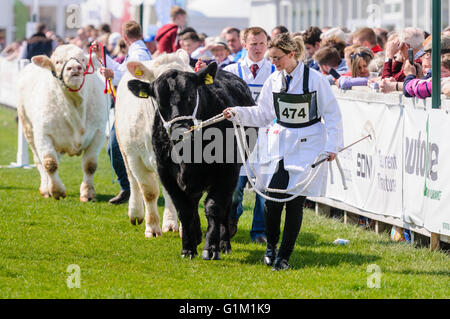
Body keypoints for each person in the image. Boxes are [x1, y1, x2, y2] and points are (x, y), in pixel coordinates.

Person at [223, 33, 343, 271]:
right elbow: (263, 114)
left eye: (277, 58)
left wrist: (333, 146)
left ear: (291, 54)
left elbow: (332, 114)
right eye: (272, 58)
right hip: (279, 143)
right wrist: (238, 112)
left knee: (295, 202)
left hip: (307, 145)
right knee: (272, 200)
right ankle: (271, 248)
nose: (274, 63)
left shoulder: (315, 79)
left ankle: (284, 255)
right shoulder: (273, 80)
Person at [224, 27, 276, 244]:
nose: (258, 48)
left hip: (267, 138)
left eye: (262, 43)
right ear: (244, 45)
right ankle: (231, 220)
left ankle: (259, 232)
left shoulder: (276, 71)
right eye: (253, 44)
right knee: (234, 187)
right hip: (238, 138)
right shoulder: (231, 70)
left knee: (264, 189)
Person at [92, 21, 152, 205]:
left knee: (115, 147)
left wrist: (113, 75)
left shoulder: (139, 53)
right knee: (118, 148)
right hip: (132, 107)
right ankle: (130, 187)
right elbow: (122, 71)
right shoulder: (137, 51)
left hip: (135, 110)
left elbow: (133, 77)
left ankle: (129, 188)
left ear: (124, 38)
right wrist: (103, 57)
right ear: (140, 34)